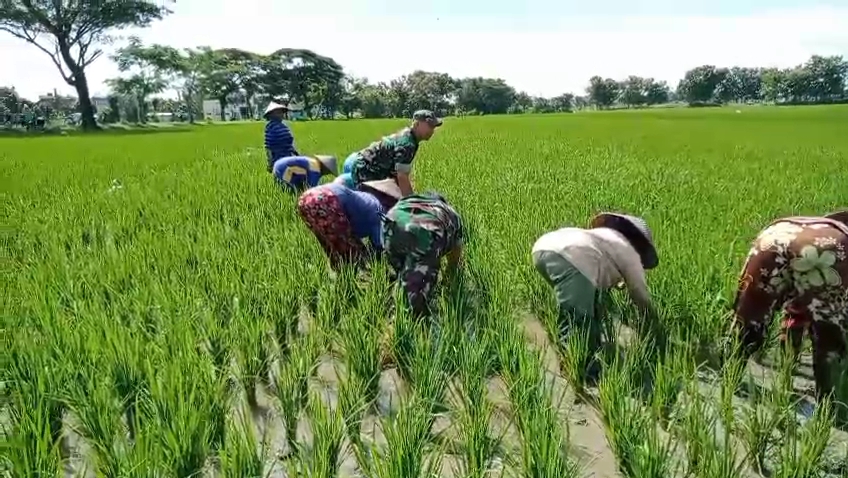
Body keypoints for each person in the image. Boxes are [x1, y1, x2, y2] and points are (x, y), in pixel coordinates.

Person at [730, 210, 848, 400]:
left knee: (747, 320)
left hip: (773, 237)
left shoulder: (814, 224)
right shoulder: (840, 238)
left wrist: (789, 363)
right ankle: (830, 406)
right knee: (828, 335)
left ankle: (728, 382)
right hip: (828, 249)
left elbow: (796, 311)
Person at [531, 213, 659, 353]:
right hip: (572, 256)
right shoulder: (631, 253)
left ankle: (584, 350)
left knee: (589, 308)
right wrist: (653, 322)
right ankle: (581, 365)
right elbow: (639, 293)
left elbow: (603, 269)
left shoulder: (606, 237)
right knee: (578, 320)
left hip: (541, 249)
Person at [381, 192, 464, 317]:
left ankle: (396, 304)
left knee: (403, 274)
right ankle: (413, 320)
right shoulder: (451, 214)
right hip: (426, 233)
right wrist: (447, 279)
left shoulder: (409, 201)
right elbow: (455, 256)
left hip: (390, 225)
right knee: (418, 298)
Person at [297, 179, 403, 270]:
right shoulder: (379, 211)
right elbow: (380, 245)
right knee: (352, 252)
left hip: (305, 199)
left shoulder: (367, 198)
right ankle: (356, 281)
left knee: (330, 244)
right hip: (327, 199)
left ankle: (340, 276)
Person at [348, 110, 443, 196]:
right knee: (377, 205)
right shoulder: (407, 144)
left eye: (433, 127)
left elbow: (399, 173)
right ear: (416, 124)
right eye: (429, 126)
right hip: (366, 169)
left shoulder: (410, 137)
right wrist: (411, 204)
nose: (432, 130)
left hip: (375, 167)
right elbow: (402, 177)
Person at [264, 101, 299, 172]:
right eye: (278, 112)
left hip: (288, 155)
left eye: (281, 112)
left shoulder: (284, 126)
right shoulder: (270, 127)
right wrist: (270, 162)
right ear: (271, 115)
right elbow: (268, 146)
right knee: (282, 175)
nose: (281, 115)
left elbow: (289, 142)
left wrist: (295, 152)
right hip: (278, 156)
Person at [272, 155, 337, 191]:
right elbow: (311, 189)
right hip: (284, 170)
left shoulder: (313, 162)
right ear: (325, 168)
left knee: (285, 190)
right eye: (328, 172)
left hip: (278, 165)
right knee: (293, 192)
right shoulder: (315, 169)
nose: (326, 174)